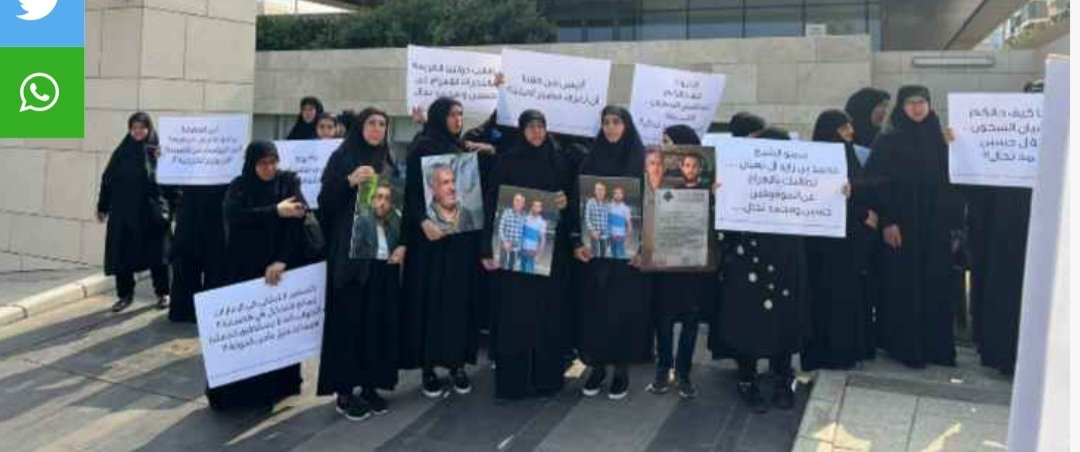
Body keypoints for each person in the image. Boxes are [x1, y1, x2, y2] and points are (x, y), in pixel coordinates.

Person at [864, 85, 964, 368]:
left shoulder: (940, 140)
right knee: (904, 286)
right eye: (911, 102)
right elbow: (876, 182)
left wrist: (956, 148)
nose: (917, 108)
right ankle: (905, 346)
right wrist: (888, 221)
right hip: (902, 226)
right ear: (901, 107)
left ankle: (936, 348)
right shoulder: (888, 141)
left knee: (935, 285)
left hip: (936, 227)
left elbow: (955, 181)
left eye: (922, 102)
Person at [316, 108, 404, 421]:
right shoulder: (342, 157)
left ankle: (369, 384)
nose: (378, 129)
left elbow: (396, 206)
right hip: (350, 256)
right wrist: (349, 181)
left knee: (374, 321)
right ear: (360, 128)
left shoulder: (388, 160)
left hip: (380, 255)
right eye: (371, 123)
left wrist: (401, 244)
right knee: (347, 321)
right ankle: (344, 391)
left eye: (383, 124)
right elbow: (324, 202)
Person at [713, 127, 809, 412]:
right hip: (749, 257)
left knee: (783, 317)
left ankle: (782, 376)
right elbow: (726, 221)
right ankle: (747, 376)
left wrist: (839, 193)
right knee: (748, 316)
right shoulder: (740, 177)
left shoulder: (798, 181)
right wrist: (718, 196)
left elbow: (820, 206)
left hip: (785, 257)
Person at [206, 140, 306, 411]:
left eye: (273, 162)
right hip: (244, 269)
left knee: (276, 333)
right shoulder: (239, 186)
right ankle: (243, 393)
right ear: (252, 164)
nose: (269, 168)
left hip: (279, 269)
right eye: (263, 163)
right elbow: (234, 217)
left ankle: (276, 389)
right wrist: (275, 211)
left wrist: (282, 260)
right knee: (249, 334)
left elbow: (298, 222)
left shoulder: (288, 182)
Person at [481, 109, 574, 399]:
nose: (536, 132)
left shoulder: (558, 160)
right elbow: (492, 203)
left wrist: (565, 202)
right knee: (515, 317)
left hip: (550, 253)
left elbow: (572, 200)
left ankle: (547, 380)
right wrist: (486, 247)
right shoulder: (507, 161)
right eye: (531, 126)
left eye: (541, 126)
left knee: (548, 316)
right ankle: (514, 383)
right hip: (514, 254)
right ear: (521, 130)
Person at [401, 97, 483, 398]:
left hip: (459, 243)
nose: (458, 120)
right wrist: (422, 221)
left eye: (461, 114)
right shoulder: (421, 148)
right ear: (439, 117)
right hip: (430, 244)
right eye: (452, 114)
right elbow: (409, 192)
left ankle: (456, 364)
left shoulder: (461, 149)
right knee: (430, 301)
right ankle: (428, 368)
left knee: (457, 302)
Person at [574, 106, 652, 400]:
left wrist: (644, 248)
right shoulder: (590, 160)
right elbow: (577, 204)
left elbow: (653, 208)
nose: (610, 127)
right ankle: (597, 367)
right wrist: (577, 242)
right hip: (596, 255)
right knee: (596, 312)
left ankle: (621, 370)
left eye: (616, 122)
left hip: (628, 258)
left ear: (626, 125)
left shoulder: (642, 163)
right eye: (606, 122)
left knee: (623, 313)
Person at [964, 81, 1041, 375]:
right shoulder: (1005, 134)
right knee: (1009, 290)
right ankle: (1006, 355)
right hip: (1008, 228)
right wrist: (959, 147)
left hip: (1049, 231)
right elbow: (975, 183)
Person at [800, 110, 876, 371]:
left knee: (846, 295)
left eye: (849, 127)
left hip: (847, 240)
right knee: (822, 295)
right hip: (821, 241)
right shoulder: (813, 159)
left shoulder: (851, 155)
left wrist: (858, 200)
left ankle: (846, 350)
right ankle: (822, 352)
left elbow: (862, 189)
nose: (850, 133)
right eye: (843, 129)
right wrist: (860, 212)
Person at [646, 124, 715, 399]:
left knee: (690, 319)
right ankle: (663, 369)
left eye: (669, 141)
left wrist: (715, 196)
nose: (664, 146)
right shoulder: (659, 175)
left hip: (693, 263)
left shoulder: (707, 183)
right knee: (663, 319)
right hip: (665, 261)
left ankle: (683, 372)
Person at [96, 112, 172, 312]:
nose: (137, 131)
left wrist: (171, 209)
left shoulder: (159, 151)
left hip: (151, 212)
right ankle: (125, 295)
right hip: (123, 212)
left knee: (158, 256)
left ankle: (163, 293)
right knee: (123, 256)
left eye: (141, 127)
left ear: (149, 128)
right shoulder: (122, 151)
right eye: (133, 128)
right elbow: (108, 179)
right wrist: (103, 206)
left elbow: (171, 182)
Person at [844, 88, 892, 161]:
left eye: (885, 106)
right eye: (881, 105)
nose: (884, 111)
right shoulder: (843, 141)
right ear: (866, 108)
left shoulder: (883, 141)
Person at [426, 163, 475, 233]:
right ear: (432, 189)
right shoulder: (428, 219)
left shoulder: (465, 213)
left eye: (453, 181)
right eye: (445, 183)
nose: (453, 188)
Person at [497, 193, 527, 270]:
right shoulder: (506, 212)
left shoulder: (524, 216)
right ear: (513, 201)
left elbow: (524, 232)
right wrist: (505, 242)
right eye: (516, 200)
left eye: (520, 201)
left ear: (523, 204)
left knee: (511, 266)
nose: (518, 202)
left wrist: (520, 245)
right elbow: (501, 228)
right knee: (501, 265)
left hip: (516, 248)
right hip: (505, 245)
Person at [520, 200, 548, 274]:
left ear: (540, 209)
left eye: (538, 206)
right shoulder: (525, 218)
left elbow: (543, 240)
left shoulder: (542, 222)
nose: (536, 208)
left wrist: (538, 255)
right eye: (534, 206)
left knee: (529, 271)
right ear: (532, 207)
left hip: (532, 252)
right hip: (522, 250)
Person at [584, 182, 610, 258]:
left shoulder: (607, 204)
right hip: (594, 234)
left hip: (605, 235)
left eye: (602, 190)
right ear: (595, 191)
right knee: (594, 255)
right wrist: (592, 231)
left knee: (603, 254)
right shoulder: (590, 202)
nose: (600, 192)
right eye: (598, 189)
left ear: (605, 192)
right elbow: (587, 218)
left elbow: (609, 219)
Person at [607, 187, 632, 259]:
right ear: (613, 195)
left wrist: (628, 239)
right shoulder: (609, 206)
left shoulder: (626, 208)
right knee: (613, 255)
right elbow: (607, 221)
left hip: (620, 238)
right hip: (611, 237)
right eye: (616, 193)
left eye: (620, 193)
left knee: (620, 257)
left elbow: (629, 224)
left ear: (622, 195)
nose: (618, 195)